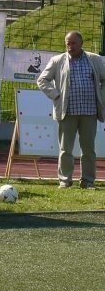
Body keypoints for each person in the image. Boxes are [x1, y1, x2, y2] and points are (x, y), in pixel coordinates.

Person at [37, 30, 105, 189]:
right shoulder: (57, 60)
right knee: (65, 149)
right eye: (68, 43)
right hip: (67, 112)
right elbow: (42, 80)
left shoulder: (94, 59)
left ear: (81, 43)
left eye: (74, 43)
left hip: (90, 111)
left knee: (88, 150)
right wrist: (56, 95)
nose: (70, 46)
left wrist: (102, 97)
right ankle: (65, 180)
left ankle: (88, 181)